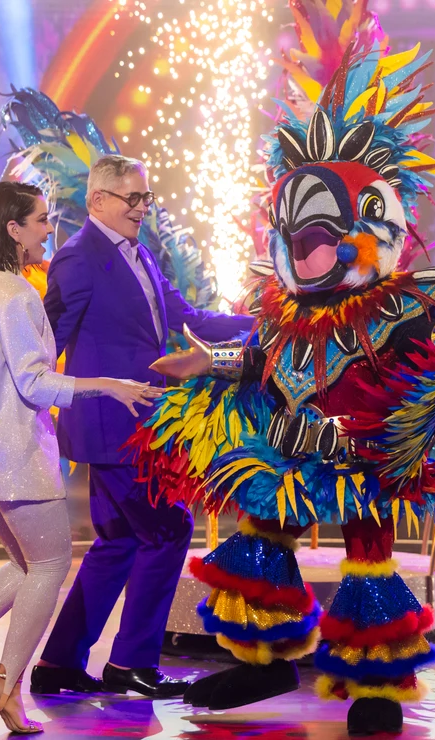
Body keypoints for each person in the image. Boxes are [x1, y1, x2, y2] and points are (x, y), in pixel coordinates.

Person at [0, 181, 161, 735]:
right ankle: (5, 686)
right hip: (13, 453)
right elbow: (35, 384)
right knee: (51, 565)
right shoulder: (14, 292)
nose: (48, 228)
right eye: (40, 220)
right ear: (13, 229)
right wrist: (111, 386)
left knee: (28, 565)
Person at [33, 155, 253, 699]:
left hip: (140, 424)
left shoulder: (140, 253)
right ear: (97, 201)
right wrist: (27, 401)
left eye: (145, 198)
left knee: (118, 542)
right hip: (112, 424)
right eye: (131, 199)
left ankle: (59, 665)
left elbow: (188, 319)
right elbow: (46, 342)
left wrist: (268, 319)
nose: (141, 208)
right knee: (168, 529)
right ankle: (131, 664)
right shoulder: (77, 258)